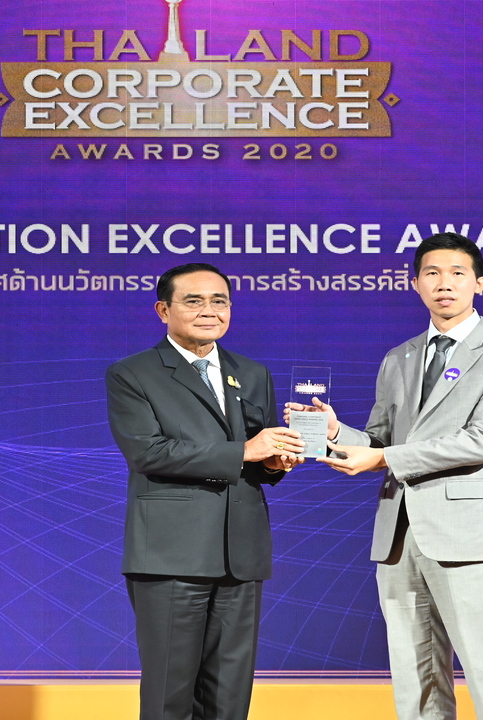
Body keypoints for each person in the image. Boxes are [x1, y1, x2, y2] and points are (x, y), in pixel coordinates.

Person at [295, 233, 483, 720]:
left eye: (457, 273)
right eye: (432, 273)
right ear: (415, 284)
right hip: (399, 536)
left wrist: (383, 458)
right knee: (415, 676)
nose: (444, 283)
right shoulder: (399, 357)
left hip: (469, 538)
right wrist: (335, 431)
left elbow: (482, 441)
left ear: (480, 284)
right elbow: (380, 438)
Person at [106, 262, 305, 720]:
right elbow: (148, 453)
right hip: (172, 554)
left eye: (220, 301)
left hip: (241, 553)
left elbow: (258, 455)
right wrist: (246, 451)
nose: (209, 311)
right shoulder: (133, 373)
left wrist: (275, 461)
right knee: (170, 693)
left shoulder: (252, 373)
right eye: (193, 301)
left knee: (229, 696)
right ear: (163, 310)